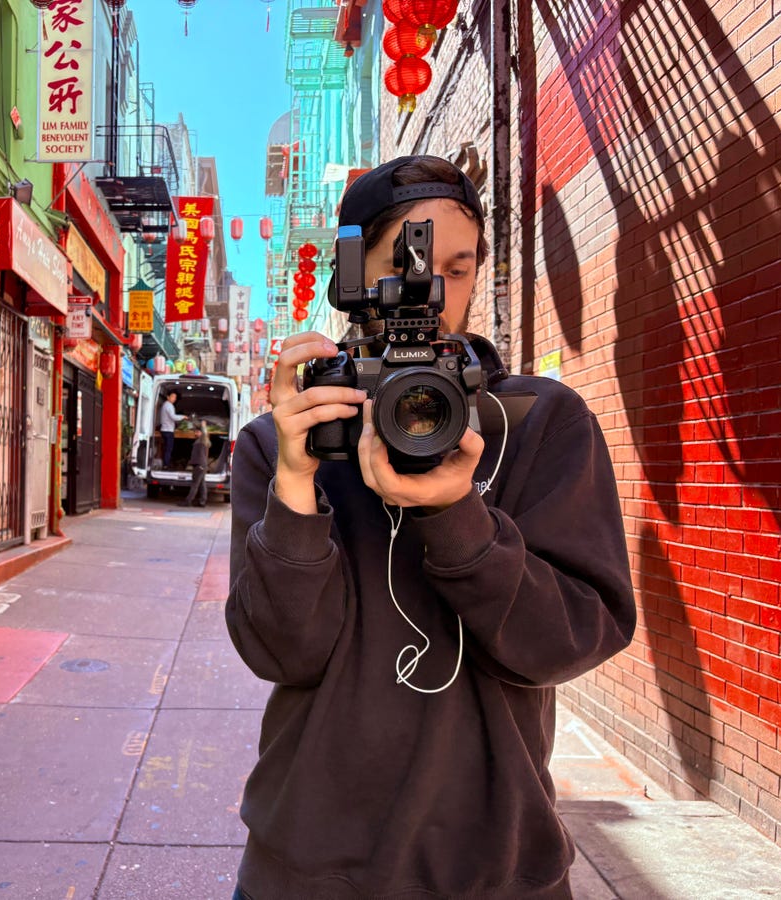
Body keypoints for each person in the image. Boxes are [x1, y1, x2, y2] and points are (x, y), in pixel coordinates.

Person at [226, 155, 636, 899]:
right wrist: (295, 486)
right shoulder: (286, 439)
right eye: (408, 264)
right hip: (311, 868)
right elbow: (280, 653)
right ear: (351, 274)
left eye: (459, 266)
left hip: (496, 867)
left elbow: (571, 640)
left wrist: (458, 518)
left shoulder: (538, 422)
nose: (434, 294)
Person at [179, 421, 210, 507]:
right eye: (195, 432)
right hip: (201, 465)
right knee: (202, 484)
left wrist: (203, 426)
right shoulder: (199, 441)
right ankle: (202, 502)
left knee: (195, 484)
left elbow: (205, 434)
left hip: (199, 465)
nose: (195, 433)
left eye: (197, 432)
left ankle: (188, 501)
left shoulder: (203, 440)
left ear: (201, 433)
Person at [159, 389, 185, 469]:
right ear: (168, 397)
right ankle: (166, 465)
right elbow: (173, 417)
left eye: (175, 397)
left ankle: (166, 463)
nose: (174, 399)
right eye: (173, 397)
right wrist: (183, 417)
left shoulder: (166, 405)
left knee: (166, 448)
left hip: (165, 429)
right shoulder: (169, 405)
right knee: (168, 449)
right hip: (168, 430)